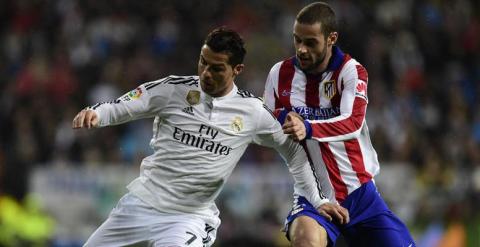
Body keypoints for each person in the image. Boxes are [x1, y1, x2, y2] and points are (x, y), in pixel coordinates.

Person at [72, 27, 348, 247]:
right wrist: (97, 114)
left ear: (236, 70)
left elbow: (295, 153)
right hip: (140, 204)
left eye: (216, 68)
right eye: (203, 62)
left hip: (187, 218)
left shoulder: (252, 112)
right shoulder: (172, 90)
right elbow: (124, 105)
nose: (205, 72)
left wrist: (318, 198)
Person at [263, 2, 416, 247]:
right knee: (305, 240)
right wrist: (283, 120)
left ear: (331, 38)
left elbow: (352, 122)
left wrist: (308, 127)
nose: (301, 49)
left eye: (310, 42)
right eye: (297, 40)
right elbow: (266, 120)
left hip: (361, 195)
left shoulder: (350, 71)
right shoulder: (279, 74)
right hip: (313, 197)